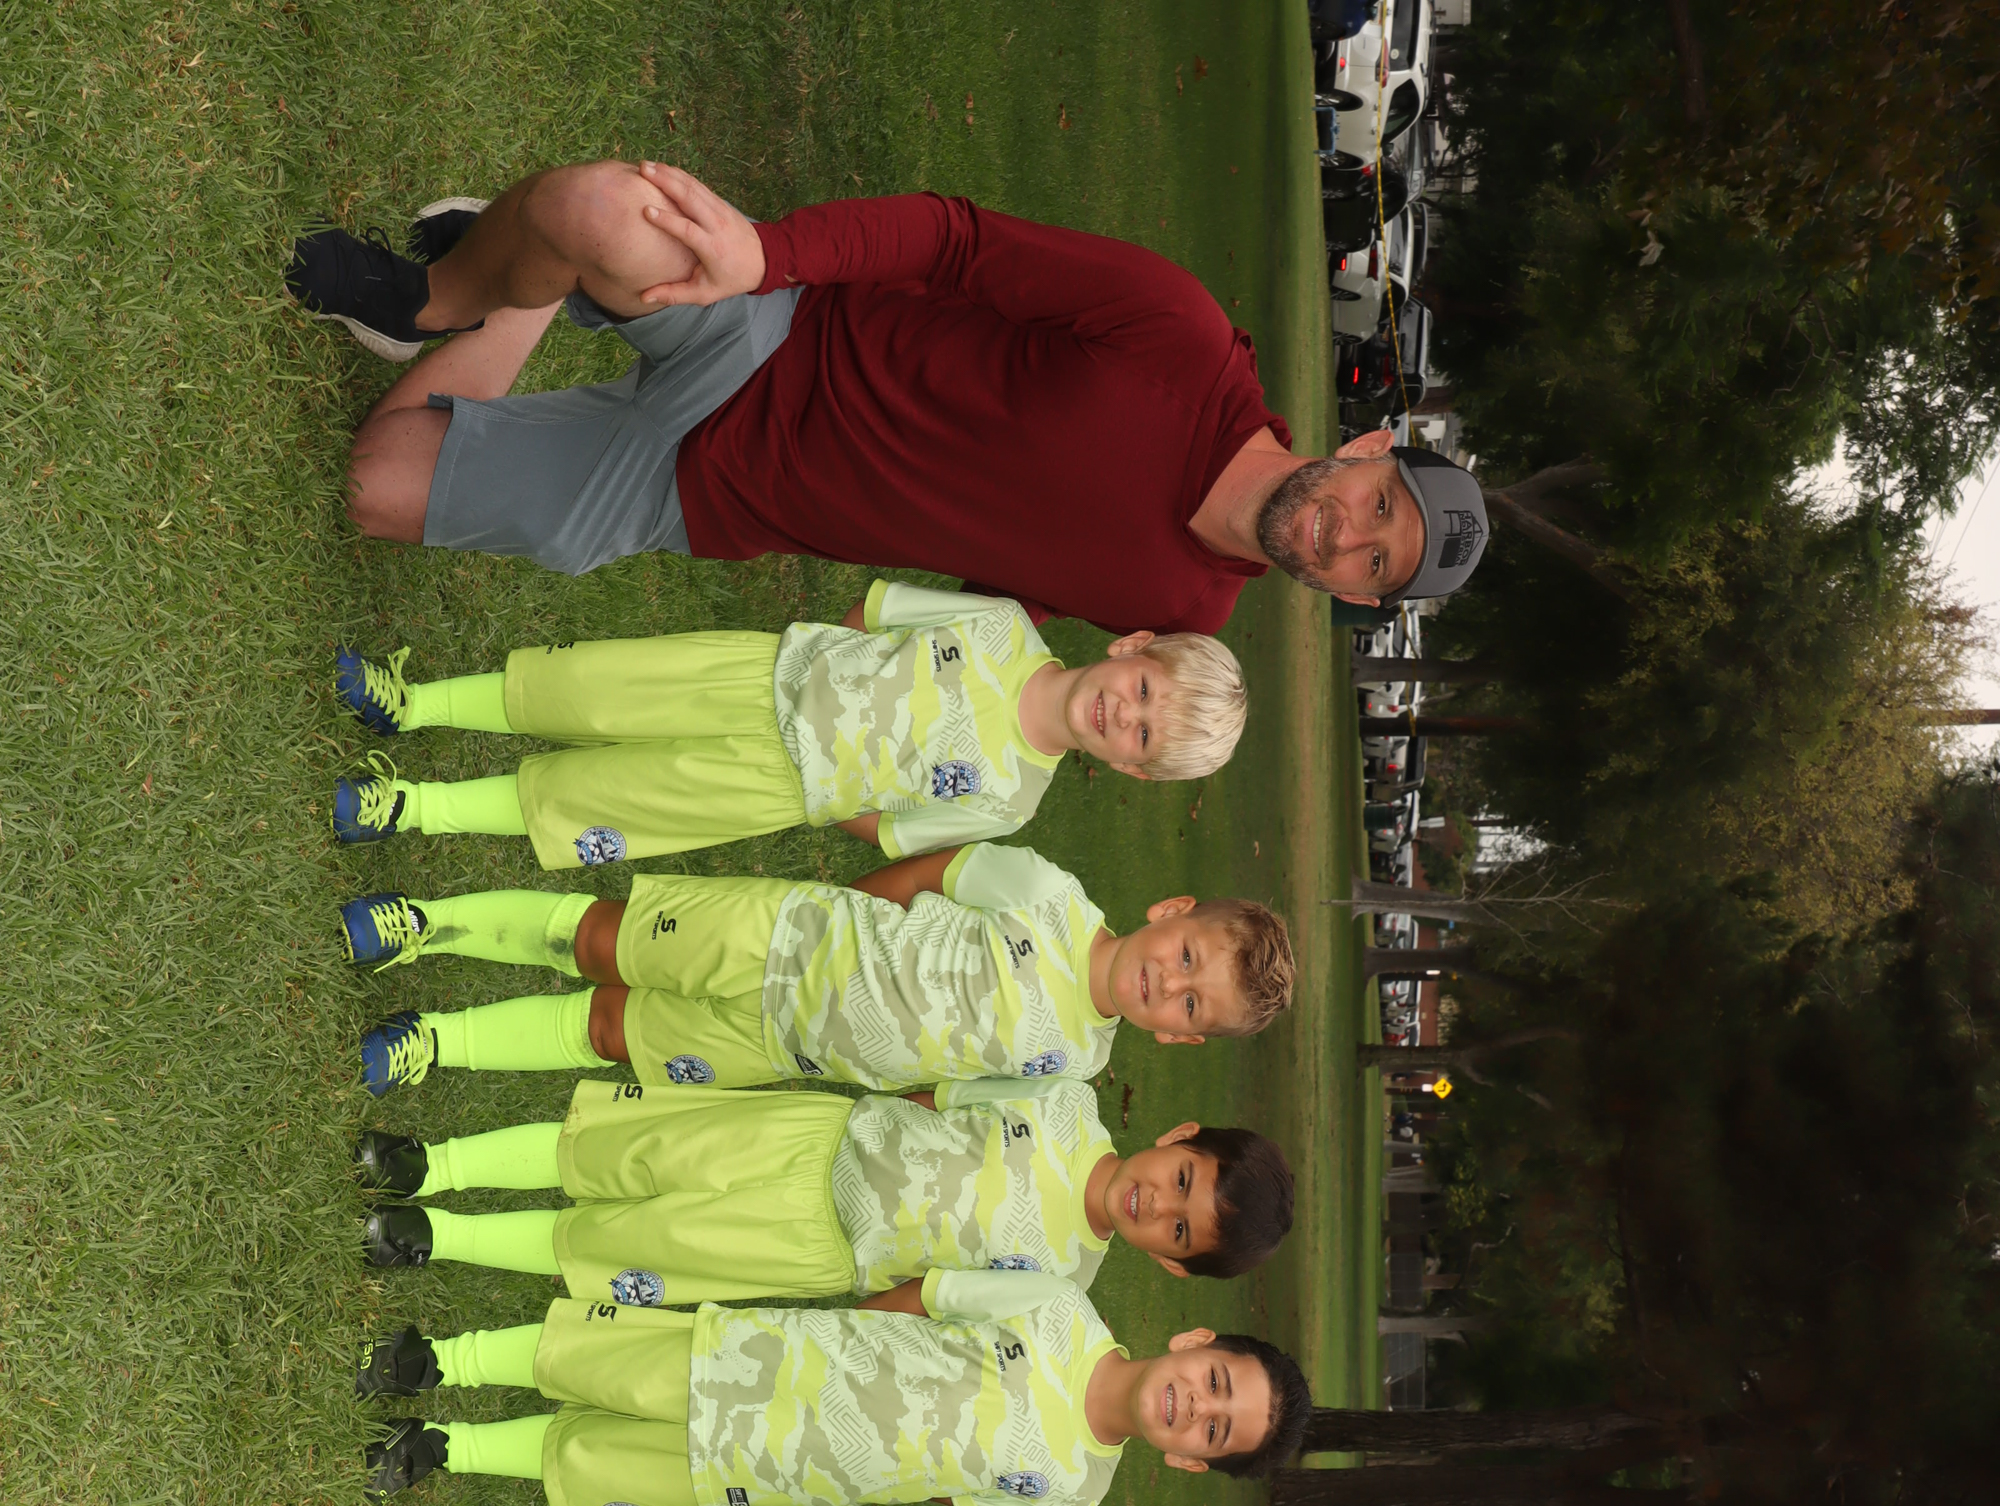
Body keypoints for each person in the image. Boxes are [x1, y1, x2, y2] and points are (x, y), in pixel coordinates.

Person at [288, 170, 1490, 625]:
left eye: (1370, 564)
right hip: (773, 329)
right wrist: (764, 257)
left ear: (1351, 593)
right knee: (594, 209)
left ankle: (531, 291)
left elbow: (998, 609)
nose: (1345, 535)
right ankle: (438, 296)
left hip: (709, 494)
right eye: (1378, 506)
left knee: (374, 486)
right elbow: (953, 240)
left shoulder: (1180, 615)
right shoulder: (1178, 337)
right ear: (1365, 449)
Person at [326, 592, 1246, 870]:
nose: (1123, 714)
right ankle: (418, 703)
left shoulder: (1013, 801)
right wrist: (820, 670)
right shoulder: (1002, 626)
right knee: (589, 688)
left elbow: (890, 833)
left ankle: (412, 808)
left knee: (600, 801)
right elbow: (878, 612)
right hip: (758, 675)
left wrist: (823, 784)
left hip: (773, 788)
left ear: (1131, 771)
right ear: (1132, 646)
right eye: (1143, 691)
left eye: (1142, 737)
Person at [335, 845, 1297, 1094]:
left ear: (1179, 1037)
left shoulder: (1072, 1067)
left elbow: (949, 1090)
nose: (1167, 983)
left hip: (784, 1048)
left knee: (613, 1032)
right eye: (1186, 957)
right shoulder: (1050, 895)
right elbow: (929, 877)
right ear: (1170, 913)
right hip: (787, 938)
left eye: (1190, 1004)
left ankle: (437, 1042)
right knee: (604, 942)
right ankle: (427, 925)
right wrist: (838, 910)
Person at [357, 1283, 1312, 1506]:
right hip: (797, 1362)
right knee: (619, 1363)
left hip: (803, 1467)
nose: (1196, 1408)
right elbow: (929, 1297)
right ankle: (439, 1360)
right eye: (1216, 1383)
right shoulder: (1062, 1309)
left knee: (620, 1464)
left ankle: (441, 1448)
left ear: (1188, 1460)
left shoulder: (1077, 1489)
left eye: (1214, 1432)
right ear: (1196, 1342)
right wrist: (829, 1342)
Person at [348, 1075, 1296, 1299]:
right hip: (821, 1139)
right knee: (636, 1149)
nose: (1157, 1205)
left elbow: (929, 1302)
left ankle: (439, 1238)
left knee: (640, 1243)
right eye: (1180, 1180)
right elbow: (941, 1088)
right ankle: (438, 1165)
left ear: (1170, 1264)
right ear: (1176, 1137)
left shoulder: (1057, 1283)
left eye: (1178, 1230)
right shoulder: (1062, 1096)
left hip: (823, 1249)